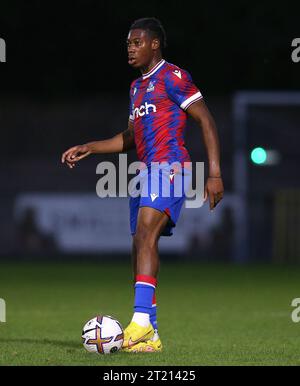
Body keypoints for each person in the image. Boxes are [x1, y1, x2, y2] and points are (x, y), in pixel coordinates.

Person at [61, 17, 224, 353]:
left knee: (146, 232)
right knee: (140, 243)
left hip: (171, 167)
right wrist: (90, 147)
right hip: (146, 171)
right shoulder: (137, 89)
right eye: (128, 44)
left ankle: (139, 322)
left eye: (137, 42)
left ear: (154, 44)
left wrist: (215, 174)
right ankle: (150, 331)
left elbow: (206, 120)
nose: (130, 48)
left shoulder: (173, 77)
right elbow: (131, 138)